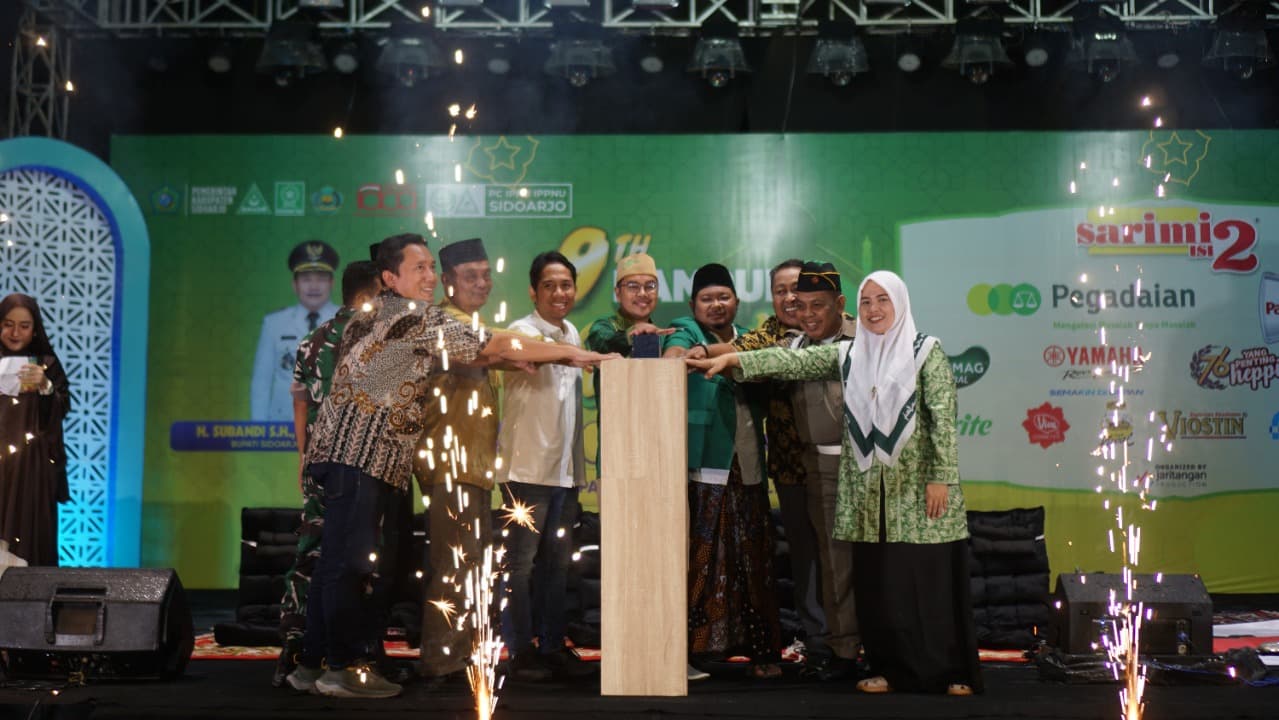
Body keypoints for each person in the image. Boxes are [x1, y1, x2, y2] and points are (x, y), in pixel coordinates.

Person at [288, 234, 612, 699]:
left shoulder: (383, 316)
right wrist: (570, 354)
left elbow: (481, 350)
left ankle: (311, 665)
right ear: (389, 279)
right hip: (359, 454)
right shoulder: (415, 317)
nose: (428, 278)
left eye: (428, 269)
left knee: (336, 563)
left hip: (347, 453)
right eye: (418, 269)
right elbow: (492, 342)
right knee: (349, 566)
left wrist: (502, 354)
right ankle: (340, 669)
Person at [687, 270, 982, 696]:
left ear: (900, 303)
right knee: (882, 584)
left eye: (883, 300)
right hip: (868, 493)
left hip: (918, 491)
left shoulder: (925, 351)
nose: (875, 310)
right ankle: (891, 668)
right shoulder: (852, 354)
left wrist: (941, 479)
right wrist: (732, 360)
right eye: (868, 302)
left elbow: (942, 418)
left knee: (927, 579)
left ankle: (950, 672)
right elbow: (789, 360)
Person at [686, 258, 830, 671]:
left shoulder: (840, 330)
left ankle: (823, 647)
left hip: (834, 465)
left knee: (809, 559)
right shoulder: (762, 335)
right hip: (781, 466)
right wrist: (703, 352)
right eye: (781, 291)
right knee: (714, 557)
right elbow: (741, 352)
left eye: (723, 296)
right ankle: (699, 650)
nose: (790, 298)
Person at [663, 263, 782, 680]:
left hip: (747, 462)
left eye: (723, 297)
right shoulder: (688, 331)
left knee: (754, 556)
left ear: (736, 300)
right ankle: (689, 653)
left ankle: (762, 649)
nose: (716, 305)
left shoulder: (752, 339)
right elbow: (675, 351)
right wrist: (678, 356)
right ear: (693, 305)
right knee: (702, 557)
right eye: (707, 299)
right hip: (705, 463)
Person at [273, 260, 382, 688]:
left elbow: (299, 400)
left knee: (313, 558)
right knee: (348, 562)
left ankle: (300, 653)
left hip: (318, 460)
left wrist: (303, 454)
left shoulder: (311, 340)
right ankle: (343, 659)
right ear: (371, 294)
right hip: (353, 463)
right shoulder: (367, 339)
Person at [497, 251, 595, 682]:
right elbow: (536, 354)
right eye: (550, 285)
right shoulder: (521, 332)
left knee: (557, 564)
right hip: (525, 469)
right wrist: (577, 355)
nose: (560, 292)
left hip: (563, 473)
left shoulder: (571, 331)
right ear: (533, 291)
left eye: (567, 285)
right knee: (520, 564)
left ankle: (551, 644)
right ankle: (518, 650)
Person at [415, 238, 501, 682]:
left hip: (473, 468)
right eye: (471, 276)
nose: (482, 283)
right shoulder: (443, 322)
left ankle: (461, 655)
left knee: (470, 565)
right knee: (453, 566)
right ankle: (441, 662)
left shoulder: (470, 322)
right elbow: (502, 349)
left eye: (486, 274)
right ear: (446, 282)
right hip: (451, 466)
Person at [784, 262, 861, 681]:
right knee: (835, 565)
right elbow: (755, 357)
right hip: (820, 466)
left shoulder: (867, 338)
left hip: (869, 466)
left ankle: (886, 647)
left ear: (840, 305)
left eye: (819, 305)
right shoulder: (794, 346)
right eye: (801, 305)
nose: (810, 314)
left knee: (876, 563)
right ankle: (845, 652)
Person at [0, 293, 71, 567]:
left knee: (27, 539)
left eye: (24, 326)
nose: (15, 332)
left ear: (35, 328)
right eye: (7, 324)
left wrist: (46, 387)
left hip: (30, 470)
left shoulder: (46, 363)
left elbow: (61, 407)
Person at [251, 240, 341, 421]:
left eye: (321, 279)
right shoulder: (274, 324)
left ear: (331, 283)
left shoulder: (348, 322)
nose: (314, 287)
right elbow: (262, 381)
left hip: (332, 427)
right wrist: (258, 429)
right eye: (306, 279)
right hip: (282, 427)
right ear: (295, 284)